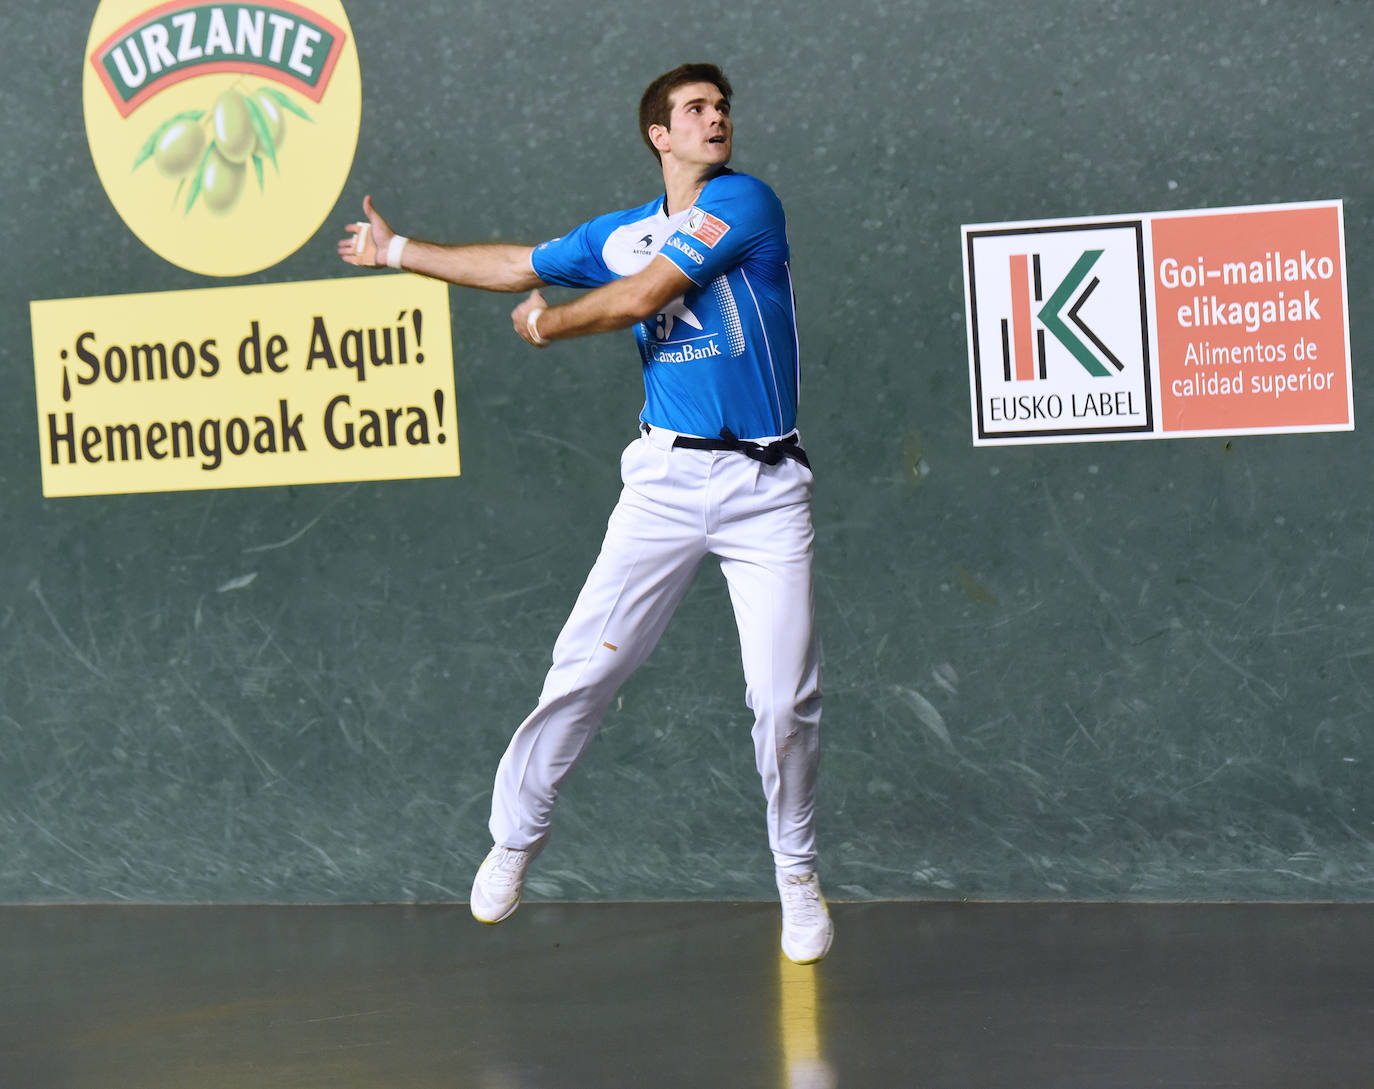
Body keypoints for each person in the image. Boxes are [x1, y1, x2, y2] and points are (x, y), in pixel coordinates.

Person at [338, 63, 831, 964]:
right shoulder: (619, 233)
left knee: (784, 699)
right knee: (582, 671)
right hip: (665, 485)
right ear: (660, 134)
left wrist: (549, 327)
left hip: (767, 489)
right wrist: (399, 251)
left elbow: (644, 298)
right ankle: (516, 836)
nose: (716, 119)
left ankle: (795, 870)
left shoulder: (747, 203)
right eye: (695, 110)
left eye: (722, 108)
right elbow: (520, 264)